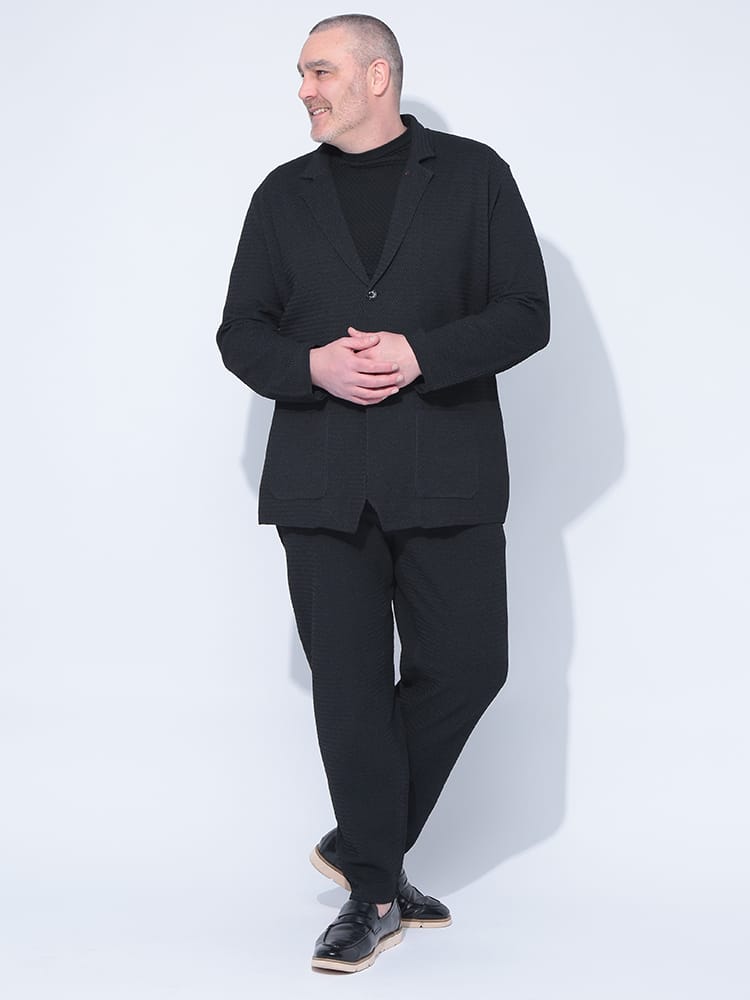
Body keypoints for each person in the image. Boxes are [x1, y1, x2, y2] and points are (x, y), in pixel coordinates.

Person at [217, 14, 549, 974]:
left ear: (377, 75)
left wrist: (424, 353)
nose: (304, 89)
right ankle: (372, 897)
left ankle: (364, 845)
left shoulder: (476, 176)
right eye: (301, 73)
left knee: (470, 664)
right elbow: (241, 331)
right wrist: (310, 365)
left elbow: (526, 312)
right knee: (351, 690)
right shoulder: (281, 195)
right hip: (321, 482)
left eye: (319, 71)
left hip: (448, 472)